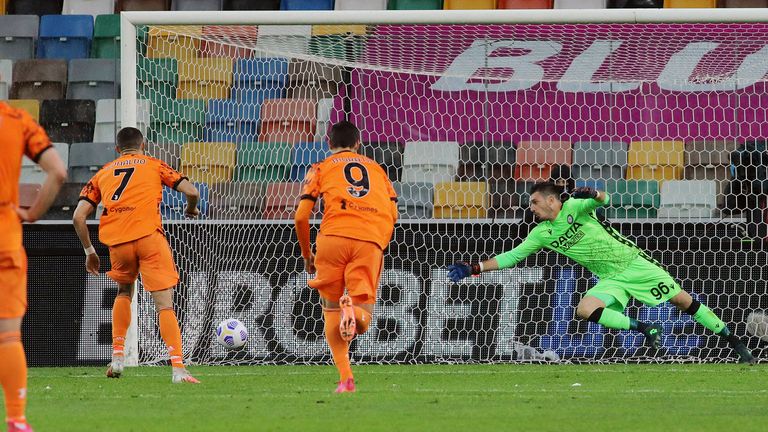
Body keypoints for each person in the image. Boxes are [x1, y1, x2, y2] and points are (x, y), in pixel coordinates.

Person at [448, 181, 755, 364]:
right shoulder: (542, 233)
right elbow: (511, 257)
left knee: (684, 301)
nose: (532, 207)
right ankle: (645, 329)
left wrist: (593, 193)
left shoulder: (575, 208)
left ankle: (733, 341)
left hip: (634, 264)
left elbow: (607, 200)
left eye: (535, 202)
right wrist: (474, 267)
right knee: (585, 309)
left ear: (552, 200)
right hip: (610, 278)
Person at [72, 127, 201, 384]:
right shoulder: (154, 164)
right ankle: (178, 369)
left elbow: (78, 217)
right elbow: (192, 192)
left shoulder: (103, 173)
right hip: (149, 238)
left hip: (118, 242)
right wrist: (191, 209)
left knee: (123, 292)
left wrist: (90, 252)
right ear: (144, 145)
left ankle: (117, 358)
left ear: (117, 149)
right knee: (164, 304)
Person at [294, 121, 398, 393]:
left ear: (329, 144)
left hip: (332, 239)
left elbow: (301, 216)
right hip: (369, 240)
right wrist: (379, 244)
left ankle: (346, 379)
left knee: (329, 309)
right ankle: (353, 313)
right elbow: (394, 213)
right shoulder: (377, 170)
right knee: (364, 316)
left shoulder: (320, 167)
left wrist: (308, 255)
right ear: (358, 144)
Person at [0, 102, 68, 432]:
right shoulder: (16, 119)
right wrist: (31, 213)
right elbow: (58, 171)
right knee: (8, 335)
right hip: (4, 236)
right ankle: (16, 419)